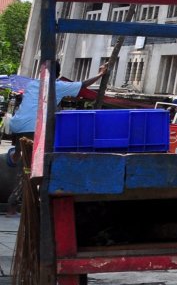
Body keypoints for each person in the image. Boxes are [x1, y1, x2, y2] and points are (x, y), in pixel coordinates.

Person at [6, 61, 108, 213]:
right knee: (31, 166)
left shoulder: (33, 84)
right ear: (57, 74)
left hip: (18, 125)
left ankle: (18, 156)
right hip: (33, 127)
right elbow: (82, 85)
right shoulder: (57, 86)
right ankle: (15, 203)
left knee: (25, 162)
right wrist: (100, 74)